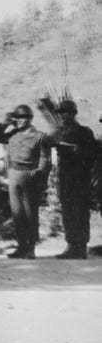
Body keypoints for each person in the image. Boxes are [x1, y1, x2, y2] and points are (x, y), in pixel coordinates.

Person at [0, 104, 52, 259]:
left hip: (30, 175)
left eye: (24, 117)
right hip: (14, 174)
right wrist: (6, 122)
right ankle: (21, 247)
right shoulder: (12, 134)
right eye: (17, 117)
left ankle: (30, 249)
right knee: (17, 213)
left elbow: (45, 159)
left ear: (30, 118)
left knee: (30, 213)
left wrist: (41, 178)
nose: (20, 120)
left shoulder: (39, 136)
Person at [50, 100, 97, 259]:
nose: (64, 115)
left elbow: (93, 154)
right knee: (68, 210)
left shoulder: (84, 132)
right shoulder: (58, 132)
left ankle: (81, 247)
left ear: (74, 113)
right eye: (62, 112)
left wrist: (80, 150)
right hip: (65, 176)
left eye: (68, 112)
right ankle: (71, 245)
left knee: (80, 211)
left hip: (80, 177)